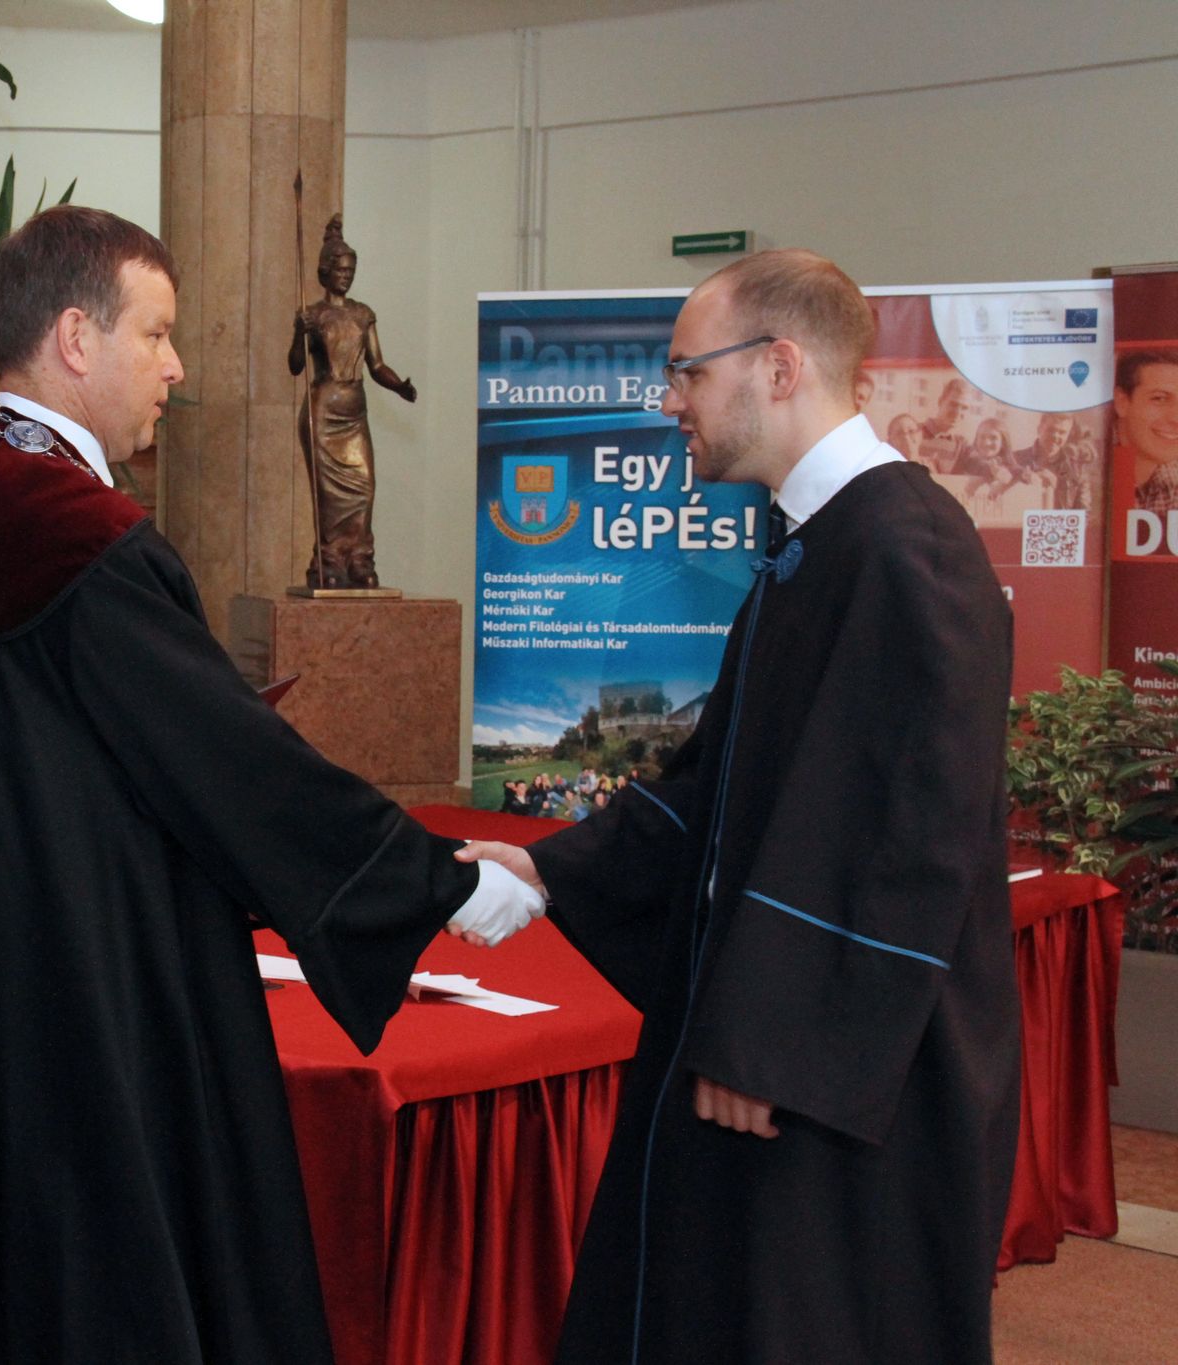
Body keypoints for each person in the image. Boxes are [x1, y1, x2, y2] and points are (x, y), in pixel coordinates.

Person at [0, 204, 536, 1364]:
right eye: (157, 333)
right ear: (75, 339)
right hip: (79, 996)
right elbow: (233, 768)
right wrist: (435, 881)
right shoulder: (78, 535)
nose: (176, 367)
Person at [472, 249, 1018, 1363]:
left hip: (837, 1080)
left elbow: (901, 836)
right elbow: (717, 788)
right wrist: (548, 870)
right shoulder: (815, 547)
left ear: (777, 366)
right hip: (772, 1050)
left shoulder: (905, 550)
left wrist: (773, 1044)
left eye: (686, 372)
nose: (668, 402)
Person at [287, 213, 416, 589]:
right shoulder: (312, 315)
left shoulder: (362, 314)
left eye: (351, 270)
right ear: (325, 271)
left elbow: (377, 365)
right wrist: (299, 334)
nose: (346, 276)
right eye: (341, 270)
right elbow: (295, 366)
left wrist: (399, 386)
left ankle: (359, 560)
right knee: (327, 498)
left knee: (364, 487)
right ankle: (330, 562)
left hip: (354, 411)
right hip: (323, 411)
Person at [1115, 347, 1178, 512]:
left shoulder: (1171, 473)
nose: (1176, 418)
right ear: (1122, 402)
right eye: (1160, 399)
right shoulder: (1087, 471)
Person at [917, 375, 976, 473]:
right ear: (940, 401)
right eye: (953, 404)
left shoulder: (962, 446)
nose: (957, 412)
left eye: (964, 408)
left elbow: (980, 465)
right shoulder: (914, 433)